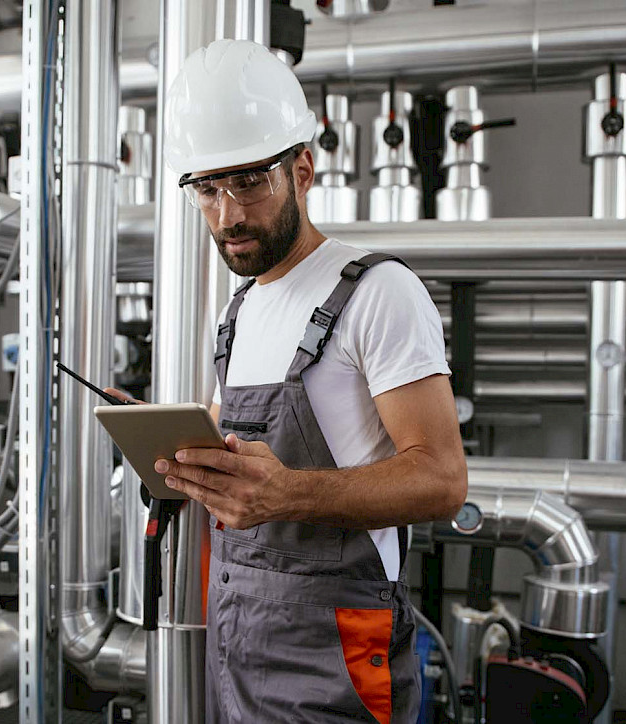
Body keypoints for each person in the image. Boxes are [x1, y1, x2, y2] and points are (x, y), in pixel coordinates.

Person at [121, 39, 467, 724]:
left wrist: (289, 493)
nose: (228, 216)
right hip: (237, 631)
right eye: (208, 190)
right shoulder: (238, 310)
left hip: (338, 643)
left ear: (302, 170)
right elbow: (234, 466)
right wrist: (175, 462)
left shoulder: (379, 292)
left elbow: (442, 479)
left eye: (249, 182)